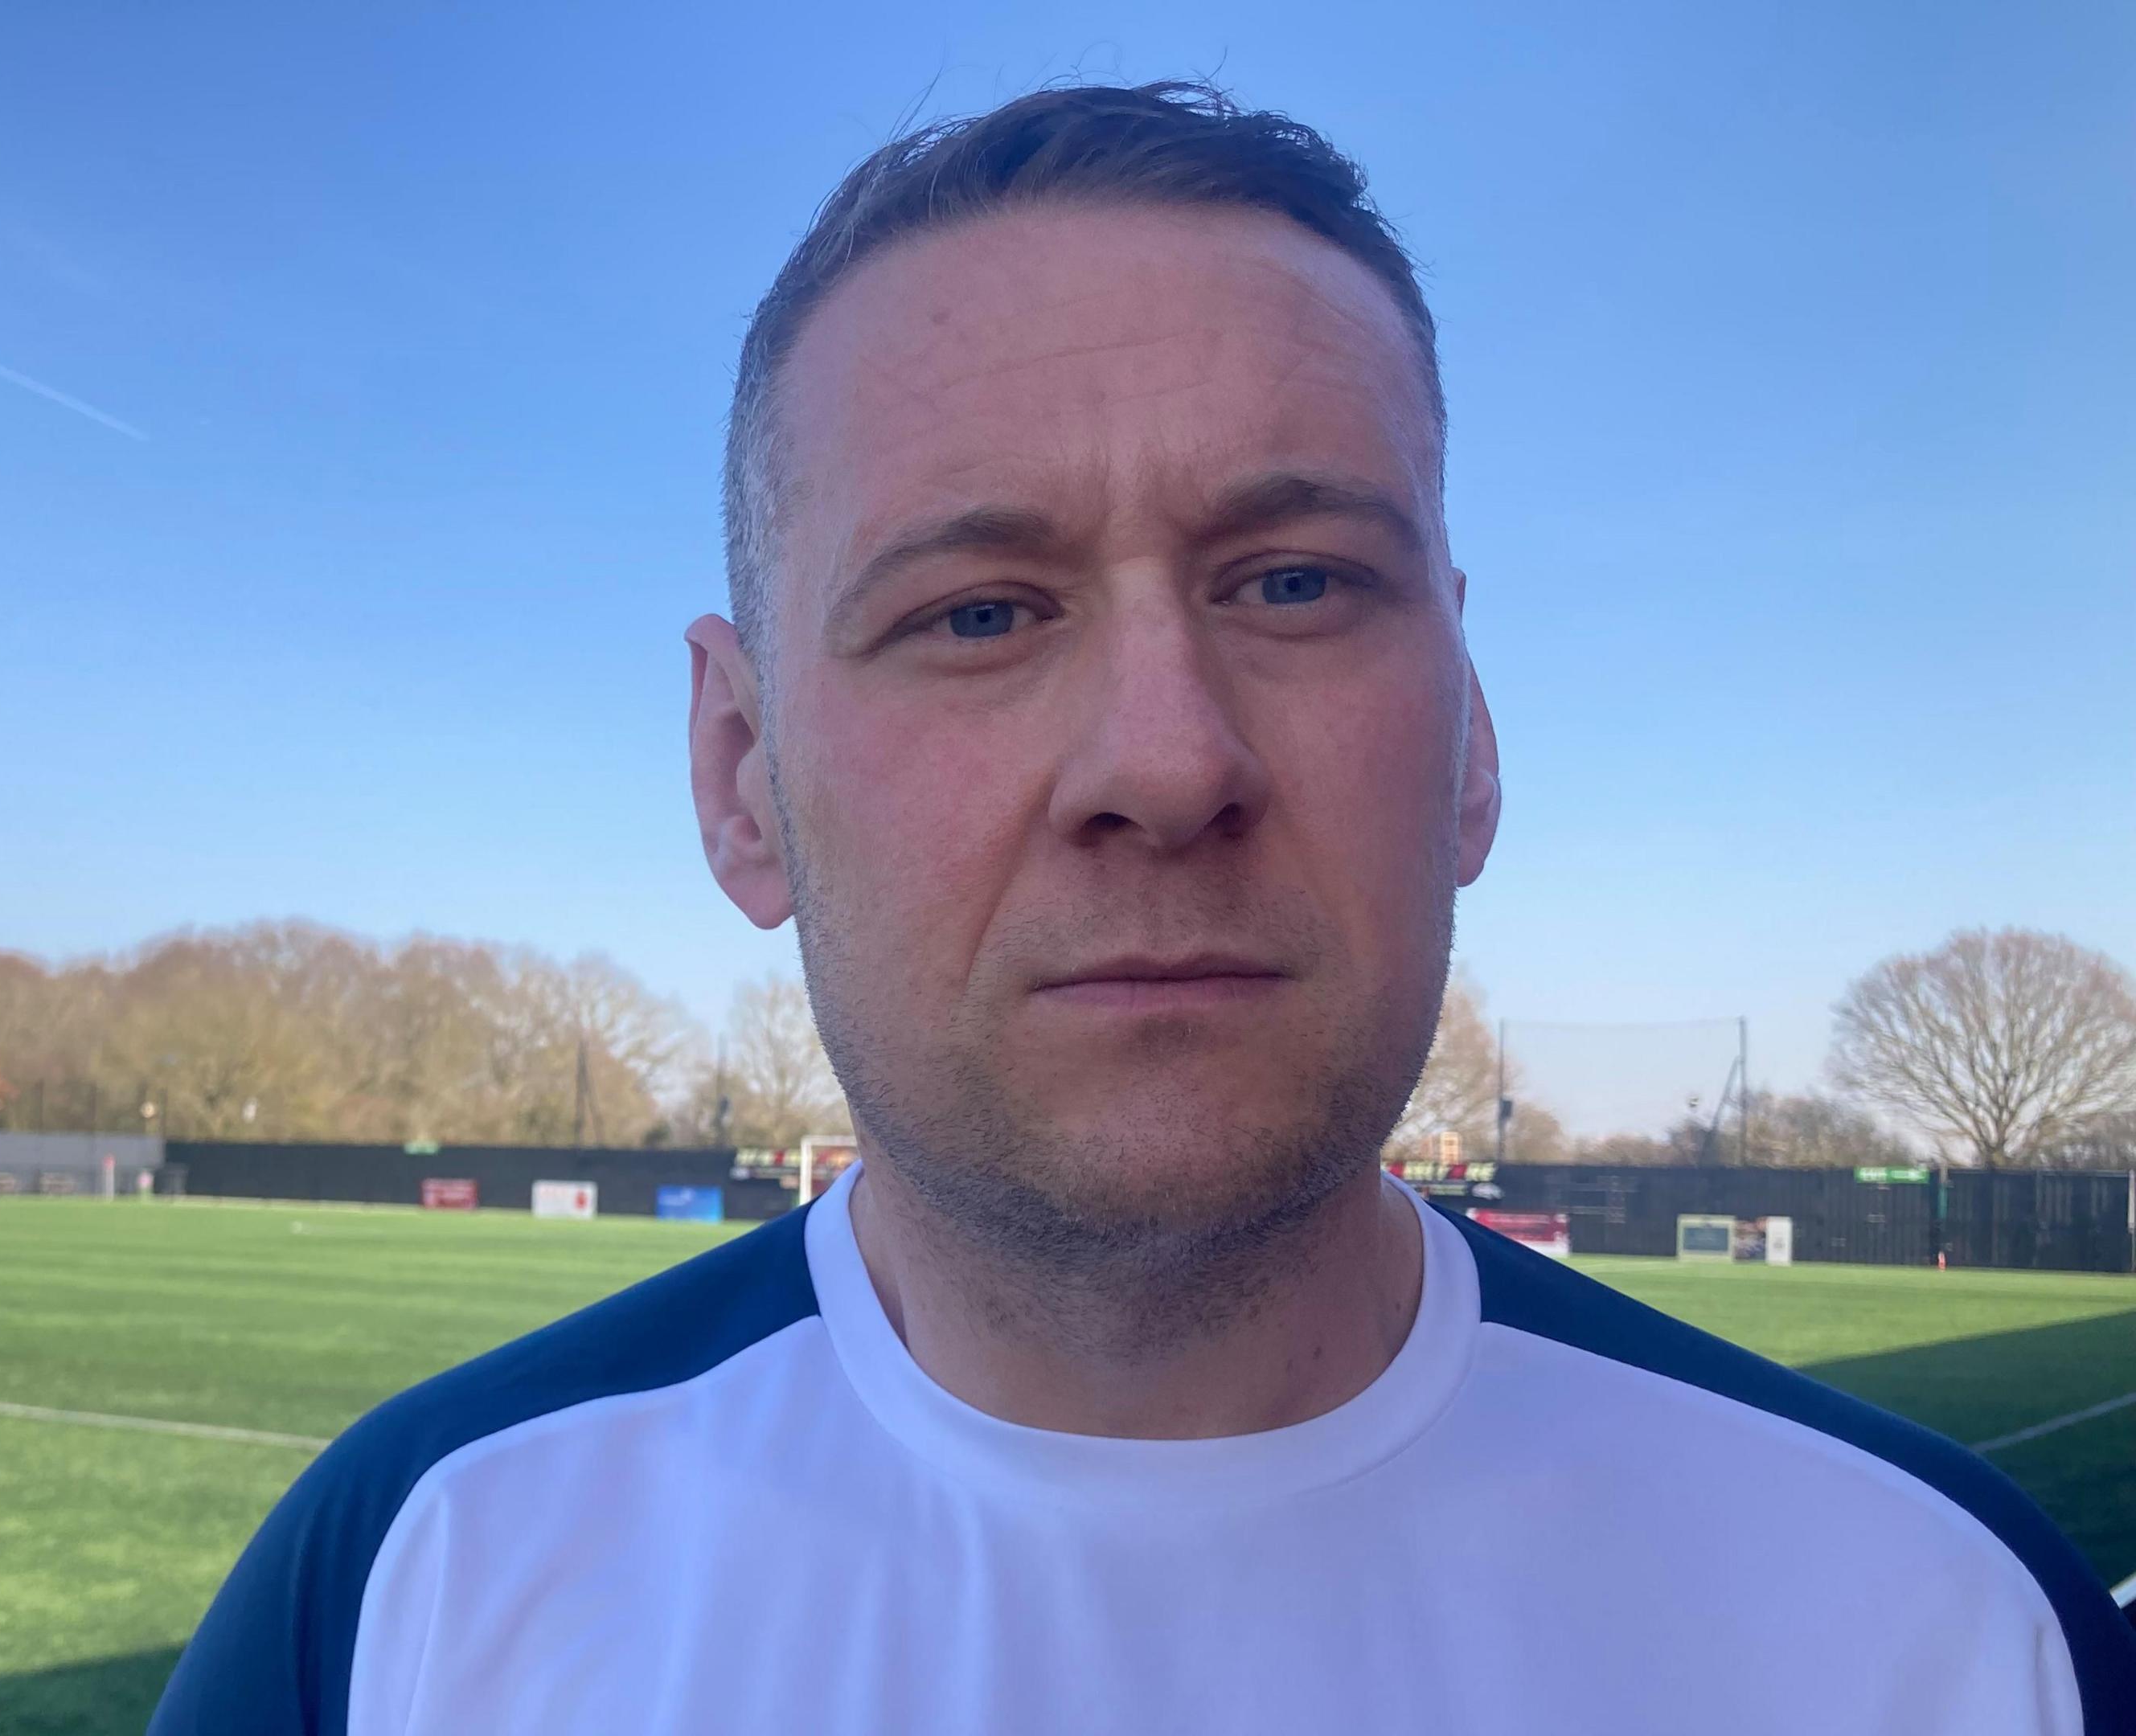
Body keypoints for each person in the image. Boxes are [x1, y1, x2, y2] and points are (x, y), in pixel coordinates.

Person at [150, 81, 2135, 1734]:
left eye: (1292, 582)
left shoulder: (1949, 1630)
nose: (1167, 762)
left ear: (1469, 742)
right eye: (980, 612)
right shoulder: (407, 1582)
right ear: (742, 780)